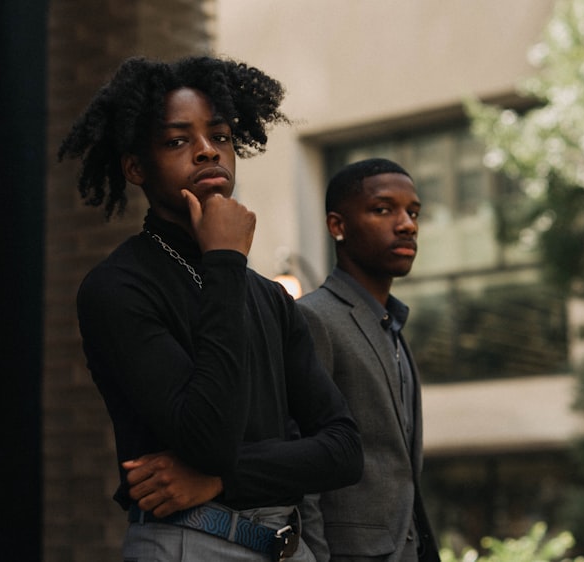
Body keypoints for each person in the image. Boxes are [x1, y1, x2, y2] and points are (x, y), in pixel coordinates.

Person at [58, 55, 363, 561]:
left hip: (288, 546)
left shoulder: (266, 295)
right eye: (178, 141)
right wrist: (223, 259)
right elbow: (207, 437)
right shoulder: (117, 288)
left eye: (219, 136)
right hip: (191, 543)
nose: (206, 152)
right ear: (136, 166)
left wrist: (219, 477)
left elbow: (345, 449)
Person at [297, 158, 440, 562]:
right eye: (383, 209)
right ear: (337, 226)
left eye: (413, 212)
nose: (407, 224)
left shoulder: (391, 324)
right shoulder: (314, 318)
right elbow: (303, 466)